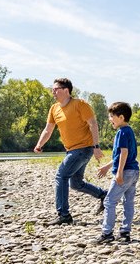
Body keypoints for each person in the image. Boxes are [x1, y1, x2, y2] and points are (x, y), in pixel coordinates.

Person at [34, 78, 105, 225]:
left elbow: (93, 124)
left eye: (56, 89)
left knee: (61, 175)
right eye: (52, 89)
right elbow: (48, 129)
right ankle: (104, 195)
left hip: (83, 148)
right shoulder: (54, 108)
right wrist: (39, 144)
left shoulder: (80, 104)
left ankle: (63, 215)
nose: (53, 92)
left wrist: (96, 147)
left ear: (66, 90)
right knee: (76, 183)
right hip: (71, 150)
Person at [95, 102, 139, 242]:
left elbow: (124, 153)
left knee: (109, 201)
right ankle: (125, 232)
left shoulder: (121, 132)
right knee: (128, 202)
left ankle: (107, 233)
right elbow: (119, 155)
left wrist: (119, 172)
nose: (109, 119)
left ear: (121, 117)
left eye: (111, 116)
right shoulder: (129, 131)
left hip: (125, 172)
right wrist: (108, 166)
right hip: (133, 171)